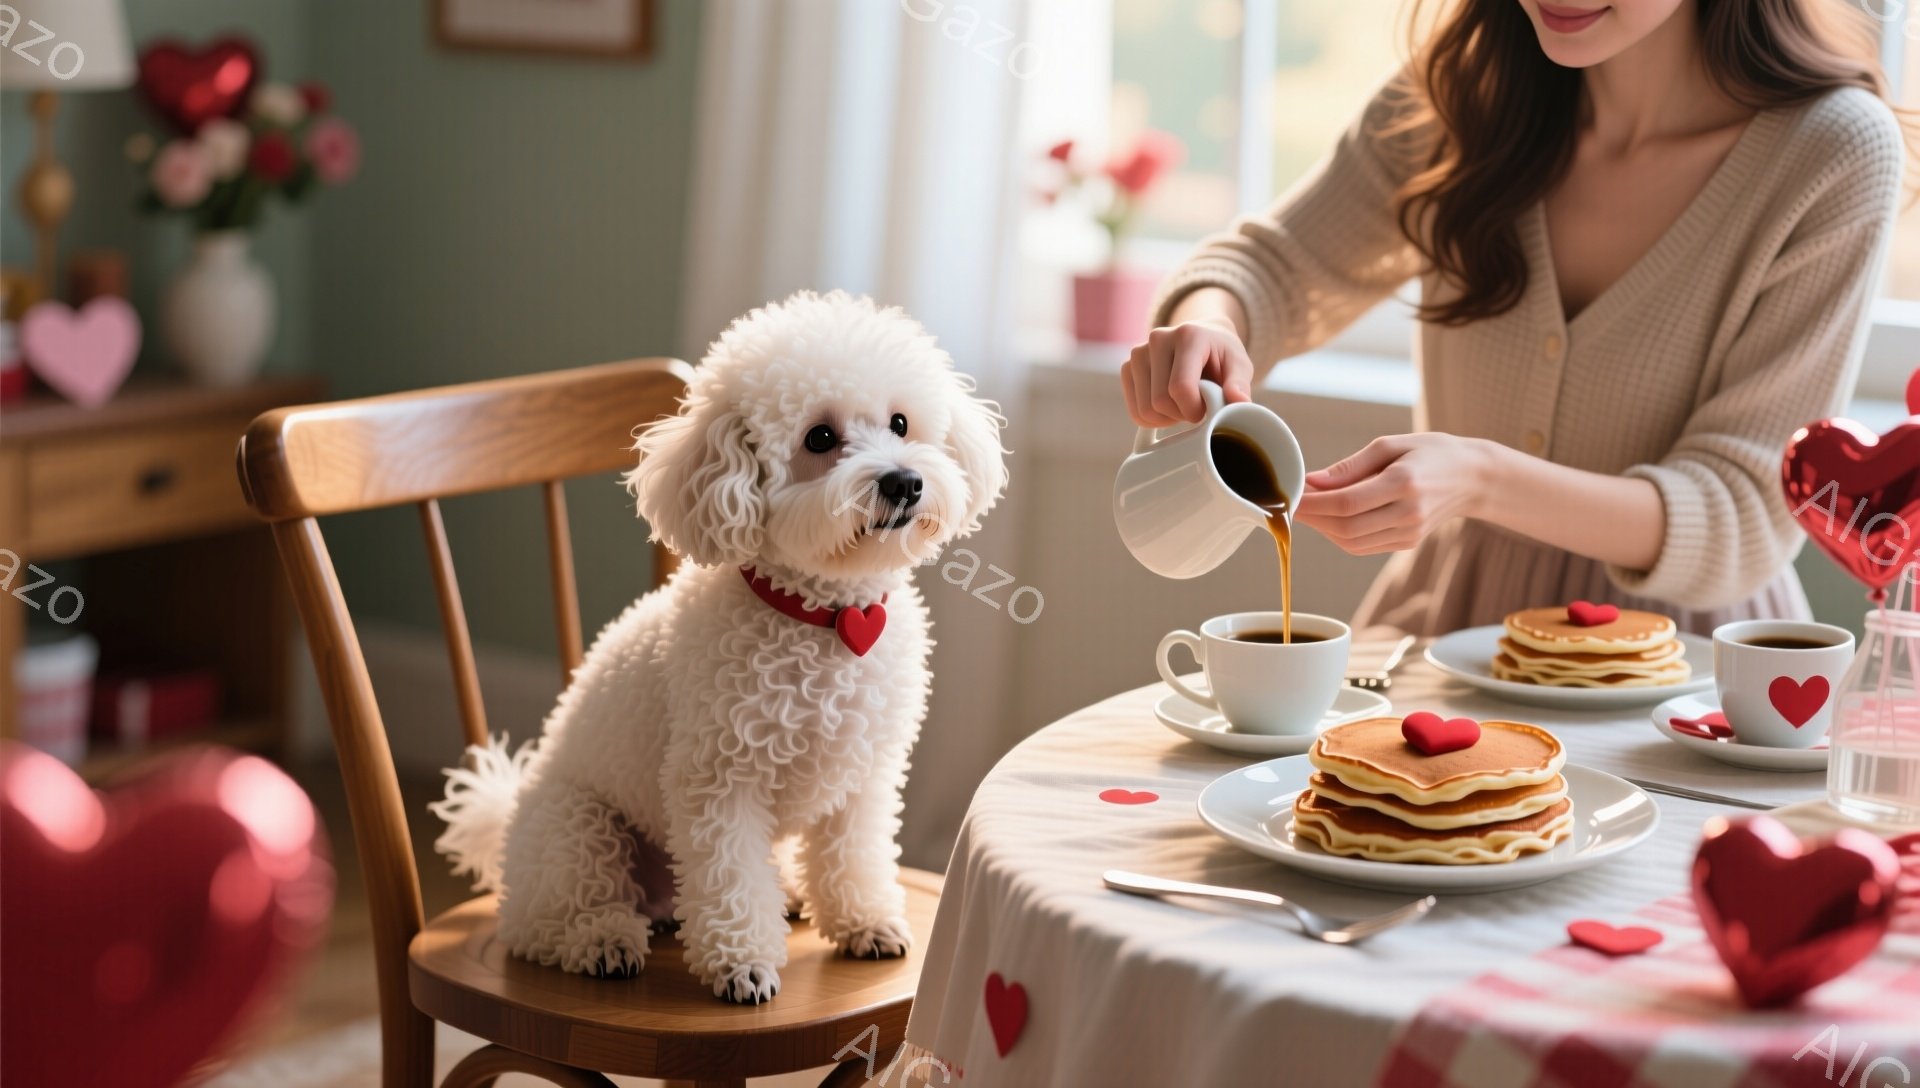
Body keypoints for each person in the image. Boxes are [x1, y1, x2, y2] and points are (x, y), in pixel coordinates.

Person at [1124, 0, 1907, 635]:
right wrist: (1212, 324)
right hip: (1435, 643)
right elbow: (1272, 266)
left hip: (1682, 692)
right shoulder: (1460, 95)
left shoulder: (1831, 150)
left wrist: (1480, 479)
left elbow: (1743, 515)